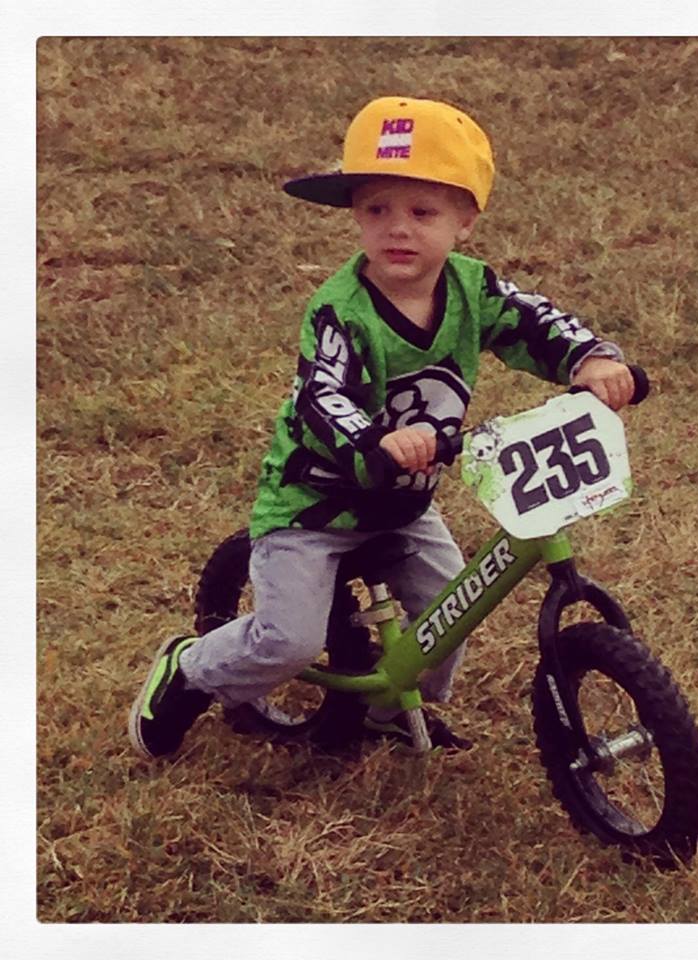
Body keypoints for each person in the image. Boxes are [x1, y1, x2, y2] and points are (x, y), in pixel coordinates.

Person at [128, 95, 635, 760]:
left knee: (451, 614)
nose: (398, 228)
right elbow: (322, 396)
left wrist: (591, 358)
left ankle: (385, 710)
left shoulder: (473, 289)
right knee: (290, 640)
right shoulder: (341, 311)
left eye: (422, 212)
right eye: (376, 210)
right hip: (315, 503)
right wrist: (375, 441)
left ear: (465, 222)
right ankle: (190, 669)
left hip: (403, 505)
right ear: (356, 217)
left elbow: (534, 323)